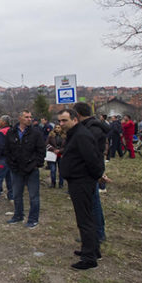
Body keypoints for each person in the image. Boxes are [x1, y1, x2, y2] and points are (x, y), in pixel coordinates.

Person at [57, 108, 105, 270]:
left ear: (75, 120)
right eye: (60, 121)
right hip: (79, 180)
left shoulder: (81, 135)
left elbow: (93, 159)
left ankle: (89, 257)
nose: (61, 124)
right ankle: (93, 249)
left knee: (85, 220)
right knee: (87, 217)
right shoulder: (76, 134)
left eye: (64, 120)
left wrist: (95, 176)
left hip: (82, 182)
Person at [74, 102, 109, 245]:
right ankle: (95, 233)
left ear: (78, 114)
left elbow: (90, 153)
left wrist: (98, 173)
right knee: (92, 203)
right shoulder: (91, 127)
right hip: (89, 170)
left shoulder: (91, 129)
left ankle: (98, 234)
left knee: (93, 204)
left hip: (88, 172)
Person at [5, 110, 45, 228]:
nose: (29, 119)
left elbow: (41, 150)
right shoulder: (11, 132)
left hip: (31, 169)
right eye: (26, 117)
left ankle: (33, 219)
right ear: (20, 118)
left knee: (34, 196)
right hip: (16, 169)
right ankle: (18, 215)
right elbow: (7, 150)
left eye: (30, 117)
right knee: (17, 194)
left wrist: (36, 164)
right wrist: (11, 164)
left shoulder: (36, 133)